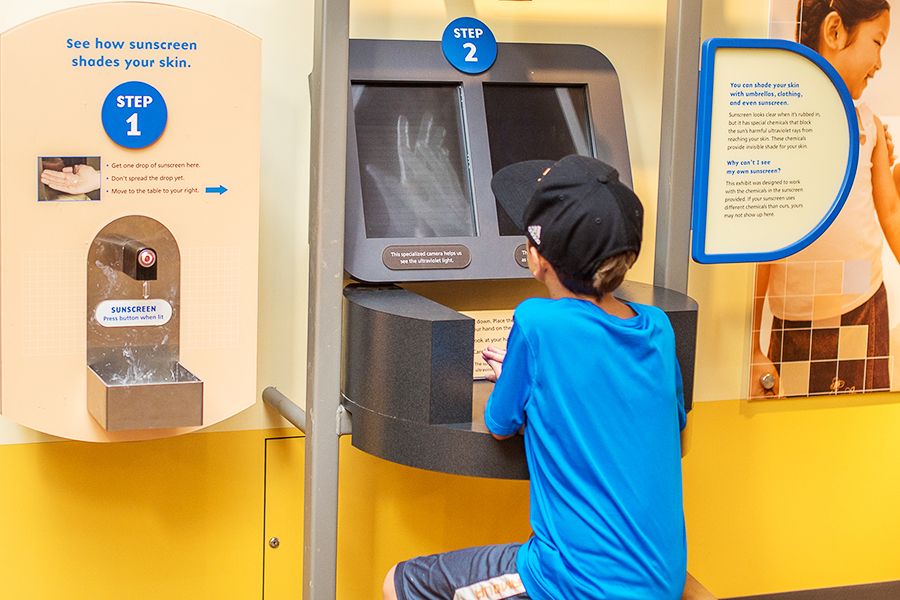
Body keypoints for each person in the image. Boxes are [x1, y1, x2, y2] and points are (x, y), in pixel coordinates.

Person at [383, 155, 715, 600]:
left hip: (571, 580)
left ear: (535, 258)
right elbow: (670, 424)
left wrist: (517, 379)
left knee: (400, 583)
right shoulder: (657, 327)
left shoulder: (537, 323)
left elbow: (501, 425)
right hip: (660, 576)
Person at [751, 0, 900, 398]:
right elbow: (763, 242)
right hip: (797, 321)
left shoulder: (868, 124)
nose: (881, 62)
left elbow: (891, 211)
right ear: (835, 31)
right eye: (877, 41)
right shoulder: (782, 125)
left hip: (866, 308)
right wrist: (751, 347)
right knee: (798, 433)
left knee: (862, 425)